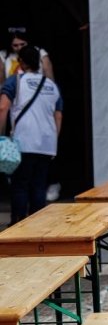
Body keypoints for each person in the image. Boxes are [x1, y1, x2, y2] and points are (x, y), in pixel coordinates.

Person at [0, 46, 63, 225]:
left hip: (23, 142)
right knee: (39, 186)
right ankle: (36, 226)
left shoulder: (15, 81)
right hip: (46, 144)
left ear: (21, 62)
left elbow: (3, 107)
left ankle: (18, 223)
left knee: (20, 185)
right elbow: (58, 115)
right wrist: (54, 141)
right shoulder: (52, 86)